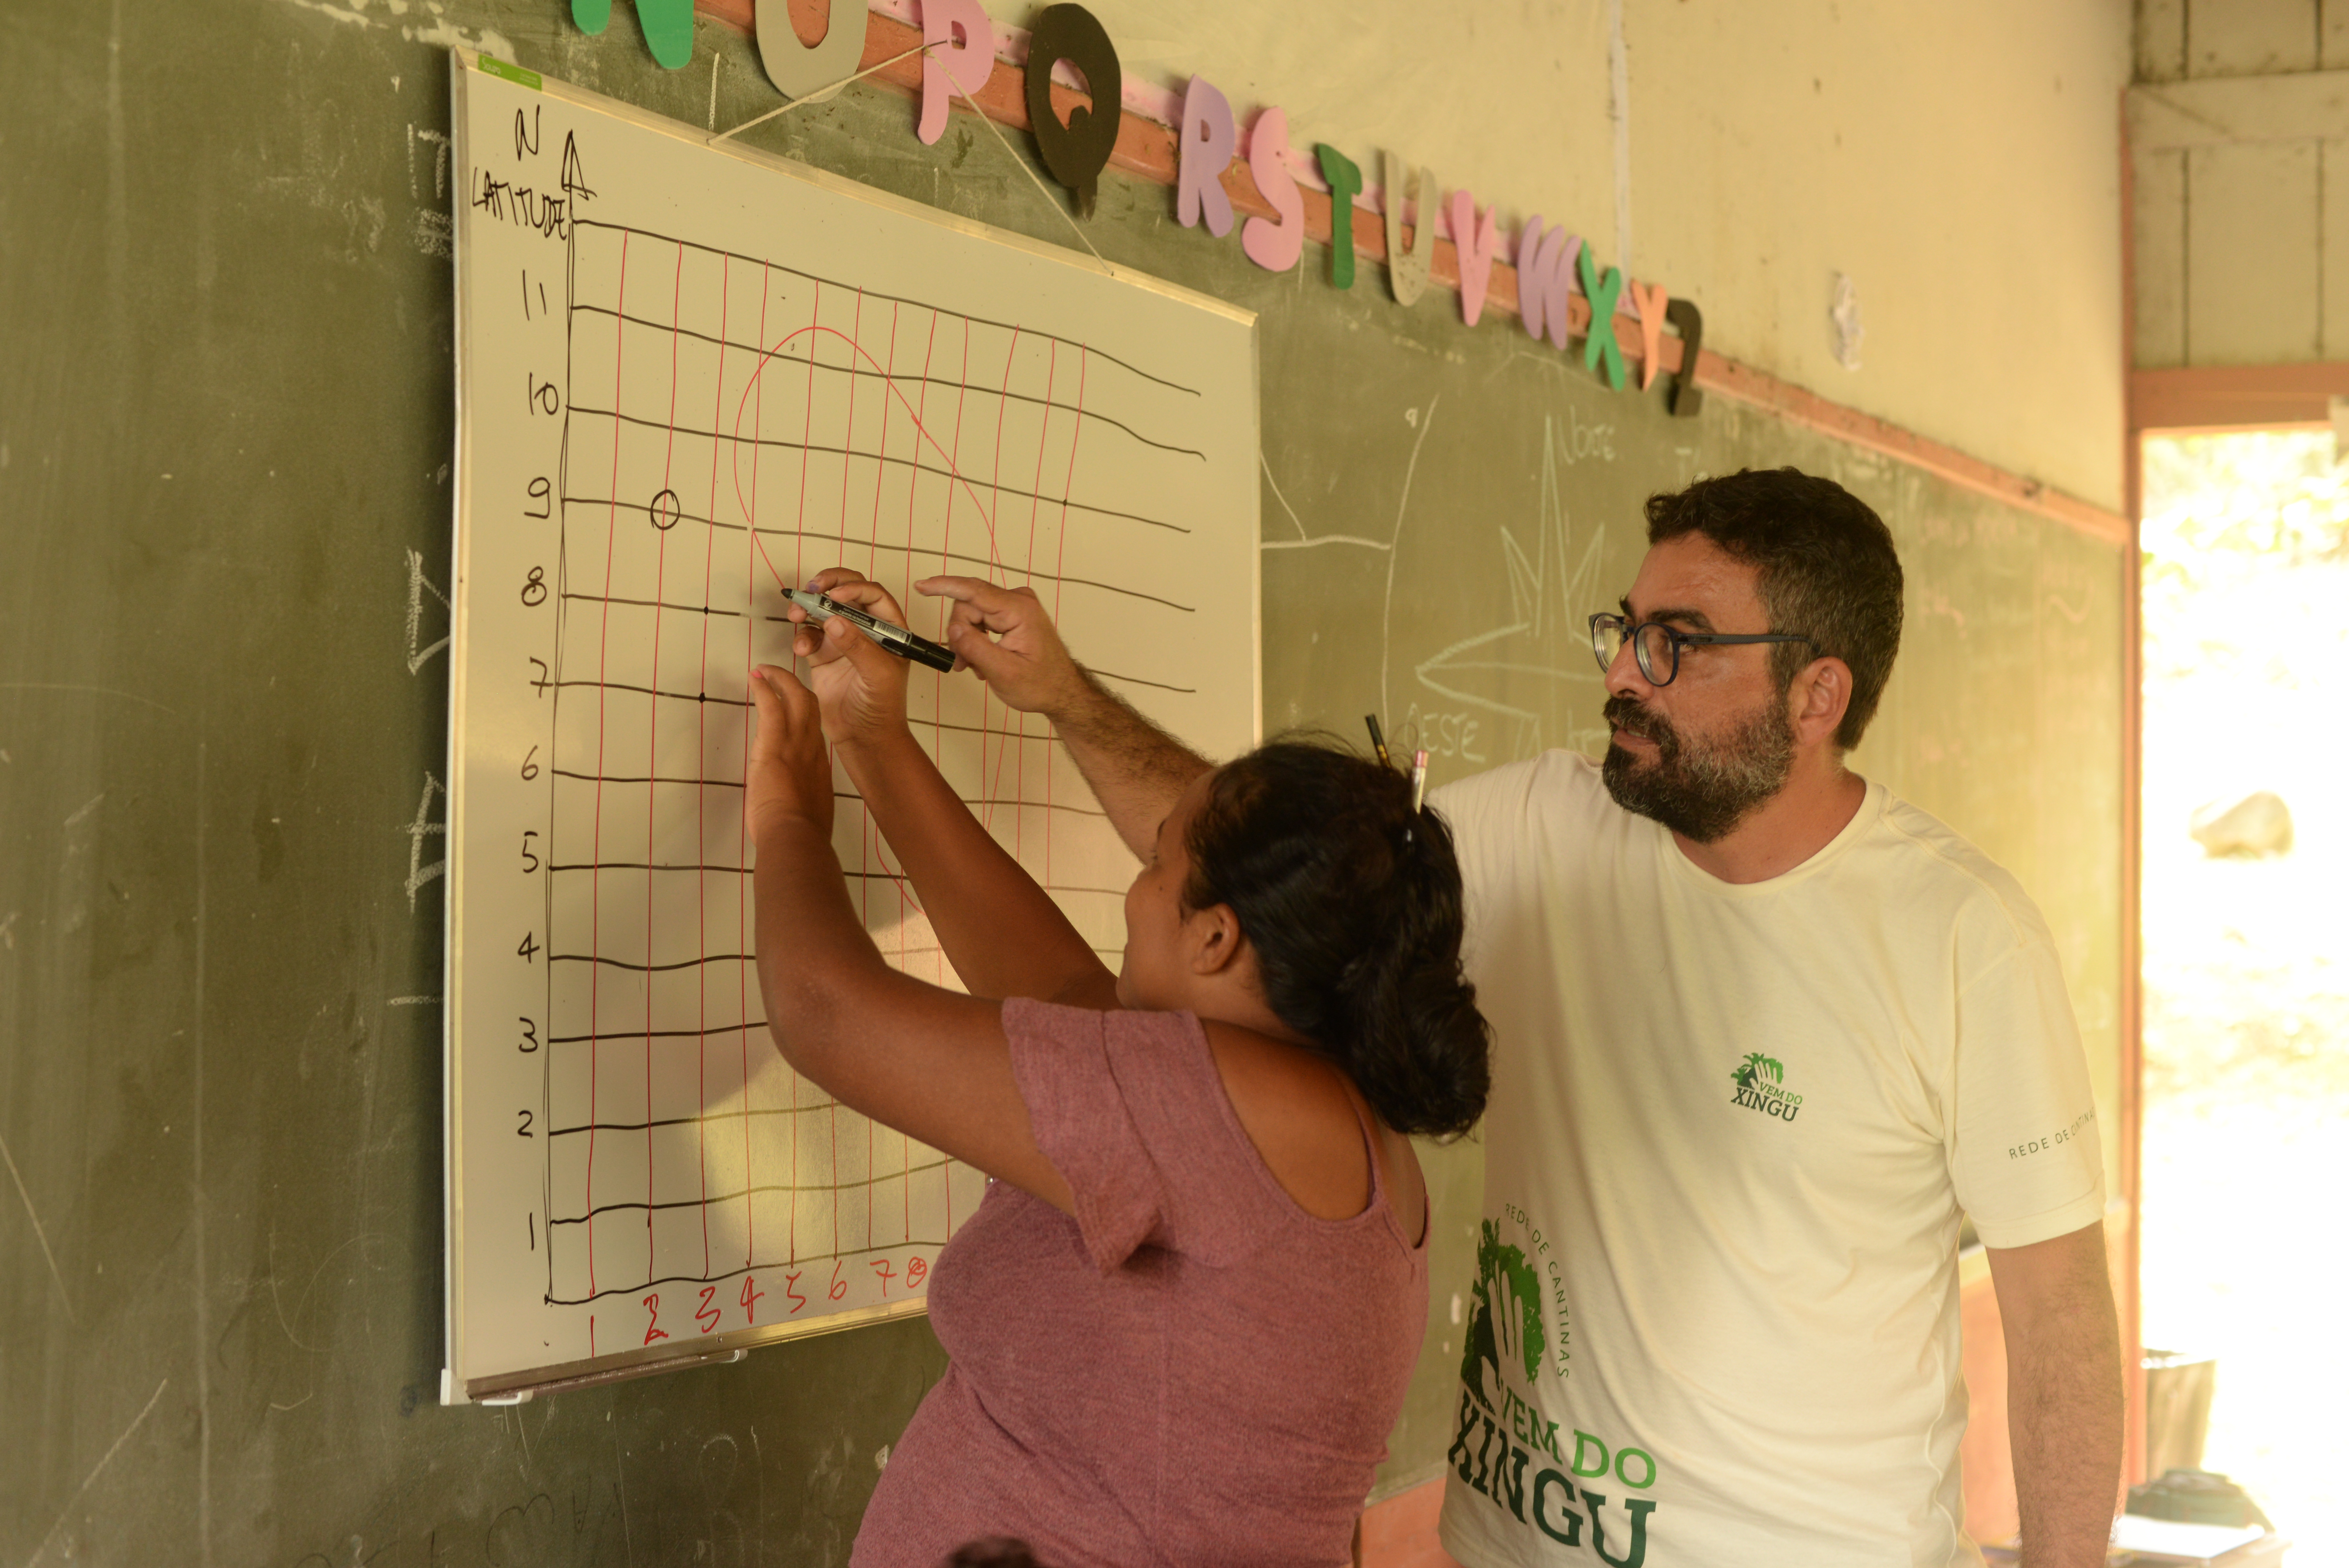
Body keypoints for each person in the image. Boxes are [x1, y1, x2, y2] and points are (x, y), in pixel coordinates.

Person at [919, 468, 2124, 1568]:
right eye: (1623, 631)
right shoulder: (1552, 826)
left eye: (1675, 645)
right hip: (1509, 1546)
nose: (1622, 675)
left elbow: (2061, 1323)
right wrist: (1064, 699)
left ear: (1818, 694)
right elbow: (1264, 878)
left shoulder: (1962, 938)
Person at [742, 569, 1492, 1568]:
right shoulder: (1309, 1111)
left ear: (1216, 938)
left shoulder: (1239, 1117)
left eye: (1155, 864)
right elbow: (1057, 991)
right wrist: (872, 738)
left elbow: (826, 1013)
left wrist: (789, 817)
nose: (1134, 893)